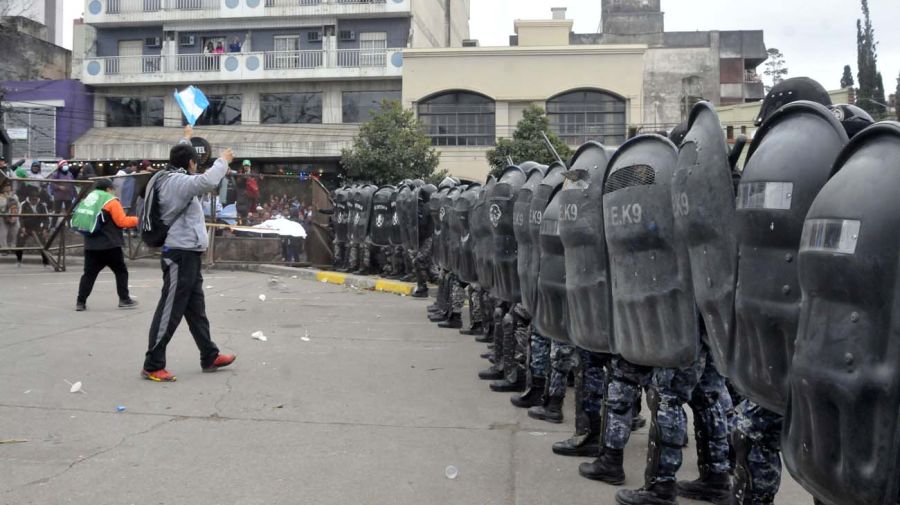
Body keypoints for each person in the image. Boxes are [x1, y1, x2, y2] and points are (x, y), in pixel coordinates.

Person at [141, 125, 236, 382]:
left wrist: (186, 136)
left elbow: (182, 156)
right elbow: (207, 181)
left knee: (196, 310)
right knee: (170, 310)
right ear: (191, 163)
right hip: (180, 254)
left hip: (188, 253)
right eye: (196, 161)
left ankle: (209, 355)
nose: (198, 165)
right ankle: (153, 364)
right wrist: (222, 161)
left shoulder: (168, 176)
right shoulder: (177, 182)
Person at [73, 178, 139, 311]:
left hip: (91, 244)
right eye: (112, 189)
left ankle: (80, 302)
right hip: (110, 244)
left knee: (89, 274)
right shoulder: (110, 201)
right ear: (108, 189)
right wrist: (138, 220)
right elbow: (122, 222)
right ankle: (124, 299)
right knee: (121, 271)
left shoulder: (89, 199)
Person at [17, 186, 50, 267]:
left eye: (35, 199)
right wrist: (22, 227)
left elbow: (46, 218)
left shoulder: (42, 205)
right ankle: (19, 260)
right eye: (32, 199)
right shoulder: (23, 204)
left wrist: (45, 229)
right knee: (19, 243)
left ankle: (46, 262)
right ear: (29, 198)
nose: (34, 201)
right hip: (26, 227)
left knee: (43, 244)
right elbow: (20, 217)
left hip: (37, 227)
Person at [48, 160, 76, 228]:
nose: (65, 167)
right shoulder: (55, 174)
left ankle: (70, 226)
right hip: (58, 196)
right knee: (57, 211)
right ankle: (52, 226)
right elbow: (52, 184)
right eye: (64, 166)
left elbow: (72, 185)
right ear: (60, 167)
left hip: (68, 196)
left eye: (66, 165)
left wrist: (75, 194)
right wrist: (59, 187)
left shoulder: (70, 174)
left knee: (69, 211)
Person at [0, 183, 21, 264]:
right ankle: (4, 249)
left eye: (9, 187)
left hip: (14, 216)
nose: (8, 188)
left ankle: (12, 247)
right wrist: (7, 199)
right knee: (3, 233)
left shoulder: (15, 196)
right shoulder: (1, 196)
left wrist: (16, 216)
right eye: (6, 187)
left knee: (15, 231)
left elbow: (18, 206)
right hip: (2, 217)